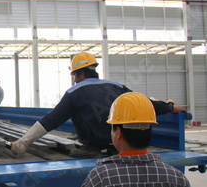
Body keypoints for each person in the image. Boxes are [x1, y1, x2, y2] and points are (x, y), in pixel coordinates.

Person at [11, 52, 186, 157]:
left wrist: (23, 142)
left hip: (93, 148)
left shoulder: (74, 92)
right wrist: (170, 108)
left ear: (78, 75)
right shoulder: (116, 87)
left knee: (74, 149)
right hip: (121, 145)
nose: (74, 80)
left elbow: (51, 120)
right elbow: (144, 104)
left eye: (74, 76)